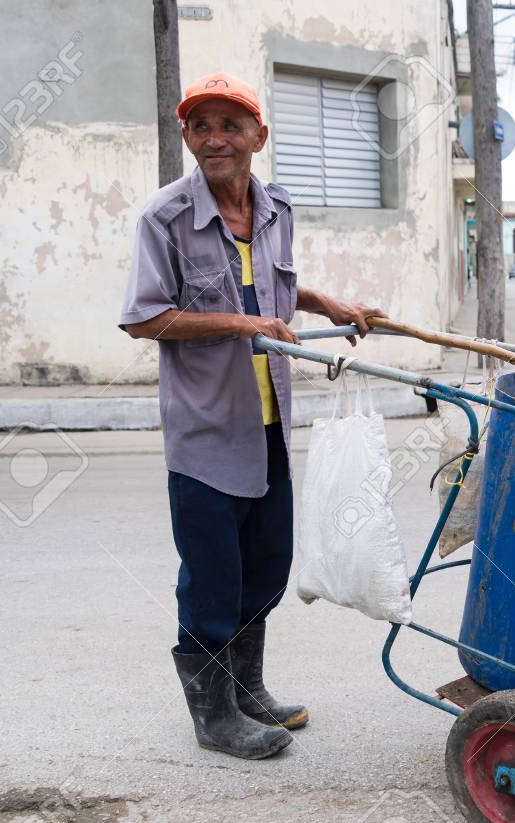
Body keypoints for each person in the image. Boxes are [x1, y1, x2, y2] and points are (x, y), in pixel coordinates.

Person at [118, 72, 384, 760]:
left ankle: (246, 689)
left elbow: (274, 289)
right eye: (201, 126)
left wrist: (331, 306)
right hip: (206, 431)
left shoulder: (275, 208)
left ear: (258, 137)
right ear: (187, 137)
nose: (215, 139)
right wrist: (240, 325)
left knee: (265, 566)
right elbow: (144, 318)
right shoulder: (164, 217)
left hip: (270, 427)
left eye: (230, 126)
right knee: (213, 578)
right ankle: (214, 717)